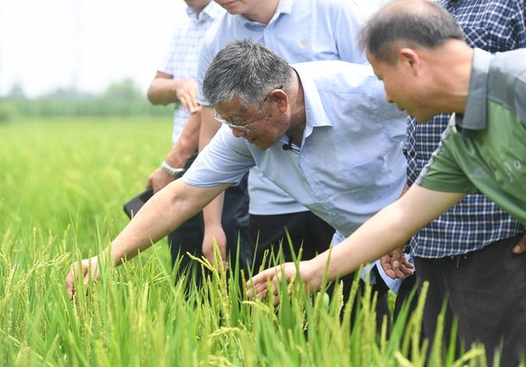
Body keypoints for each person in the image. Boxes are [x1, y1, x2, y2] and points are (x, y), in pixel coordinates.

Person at [248, 0, 526, 364]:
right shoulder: (463, 140)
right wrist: (313, 271)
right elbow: (403, 216)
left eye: (382, 79)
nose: (388, 97)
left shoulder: (517, 80)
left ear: (411, 61)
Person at [66, 40, 408, 319]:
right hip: (356, 248)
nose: (235, 133)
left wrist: (405, 215)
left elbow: (440, 136)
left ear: (279, 101)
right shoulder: (243, 133)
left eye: (241, 121)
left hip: (430, 234)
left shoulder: (367, 92)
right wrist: (104, 259)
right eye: (226, 121)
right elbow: (180, 197)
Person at [193, 0, 404, 315]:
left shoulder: (332, 11)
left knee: (358, 306)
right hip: (275, 197)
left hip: (348, 193)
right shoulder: (215, 39)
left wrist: (402, 206)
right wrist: (212, 225)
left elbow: (386, 95)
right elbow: (210, 137)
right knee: (279, 307)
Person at [397, 0, 526, 363]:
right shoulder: (431, 8)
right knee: (444, 355)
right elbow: (422, 140)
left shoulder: (510, 6)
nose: (389, 96)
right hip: (431, 233)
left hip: (494, 232)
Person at [144, 0, 251, 287]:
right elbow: (154, 90)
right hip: (192, 156)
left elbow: (207, 114)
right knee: (186, 259)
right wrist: (179, 85)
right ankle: (195, 328)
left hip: (225, 155)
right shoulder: (186, 23)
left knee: (228, 259)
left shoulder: (230, 20)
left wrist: (173, 162)